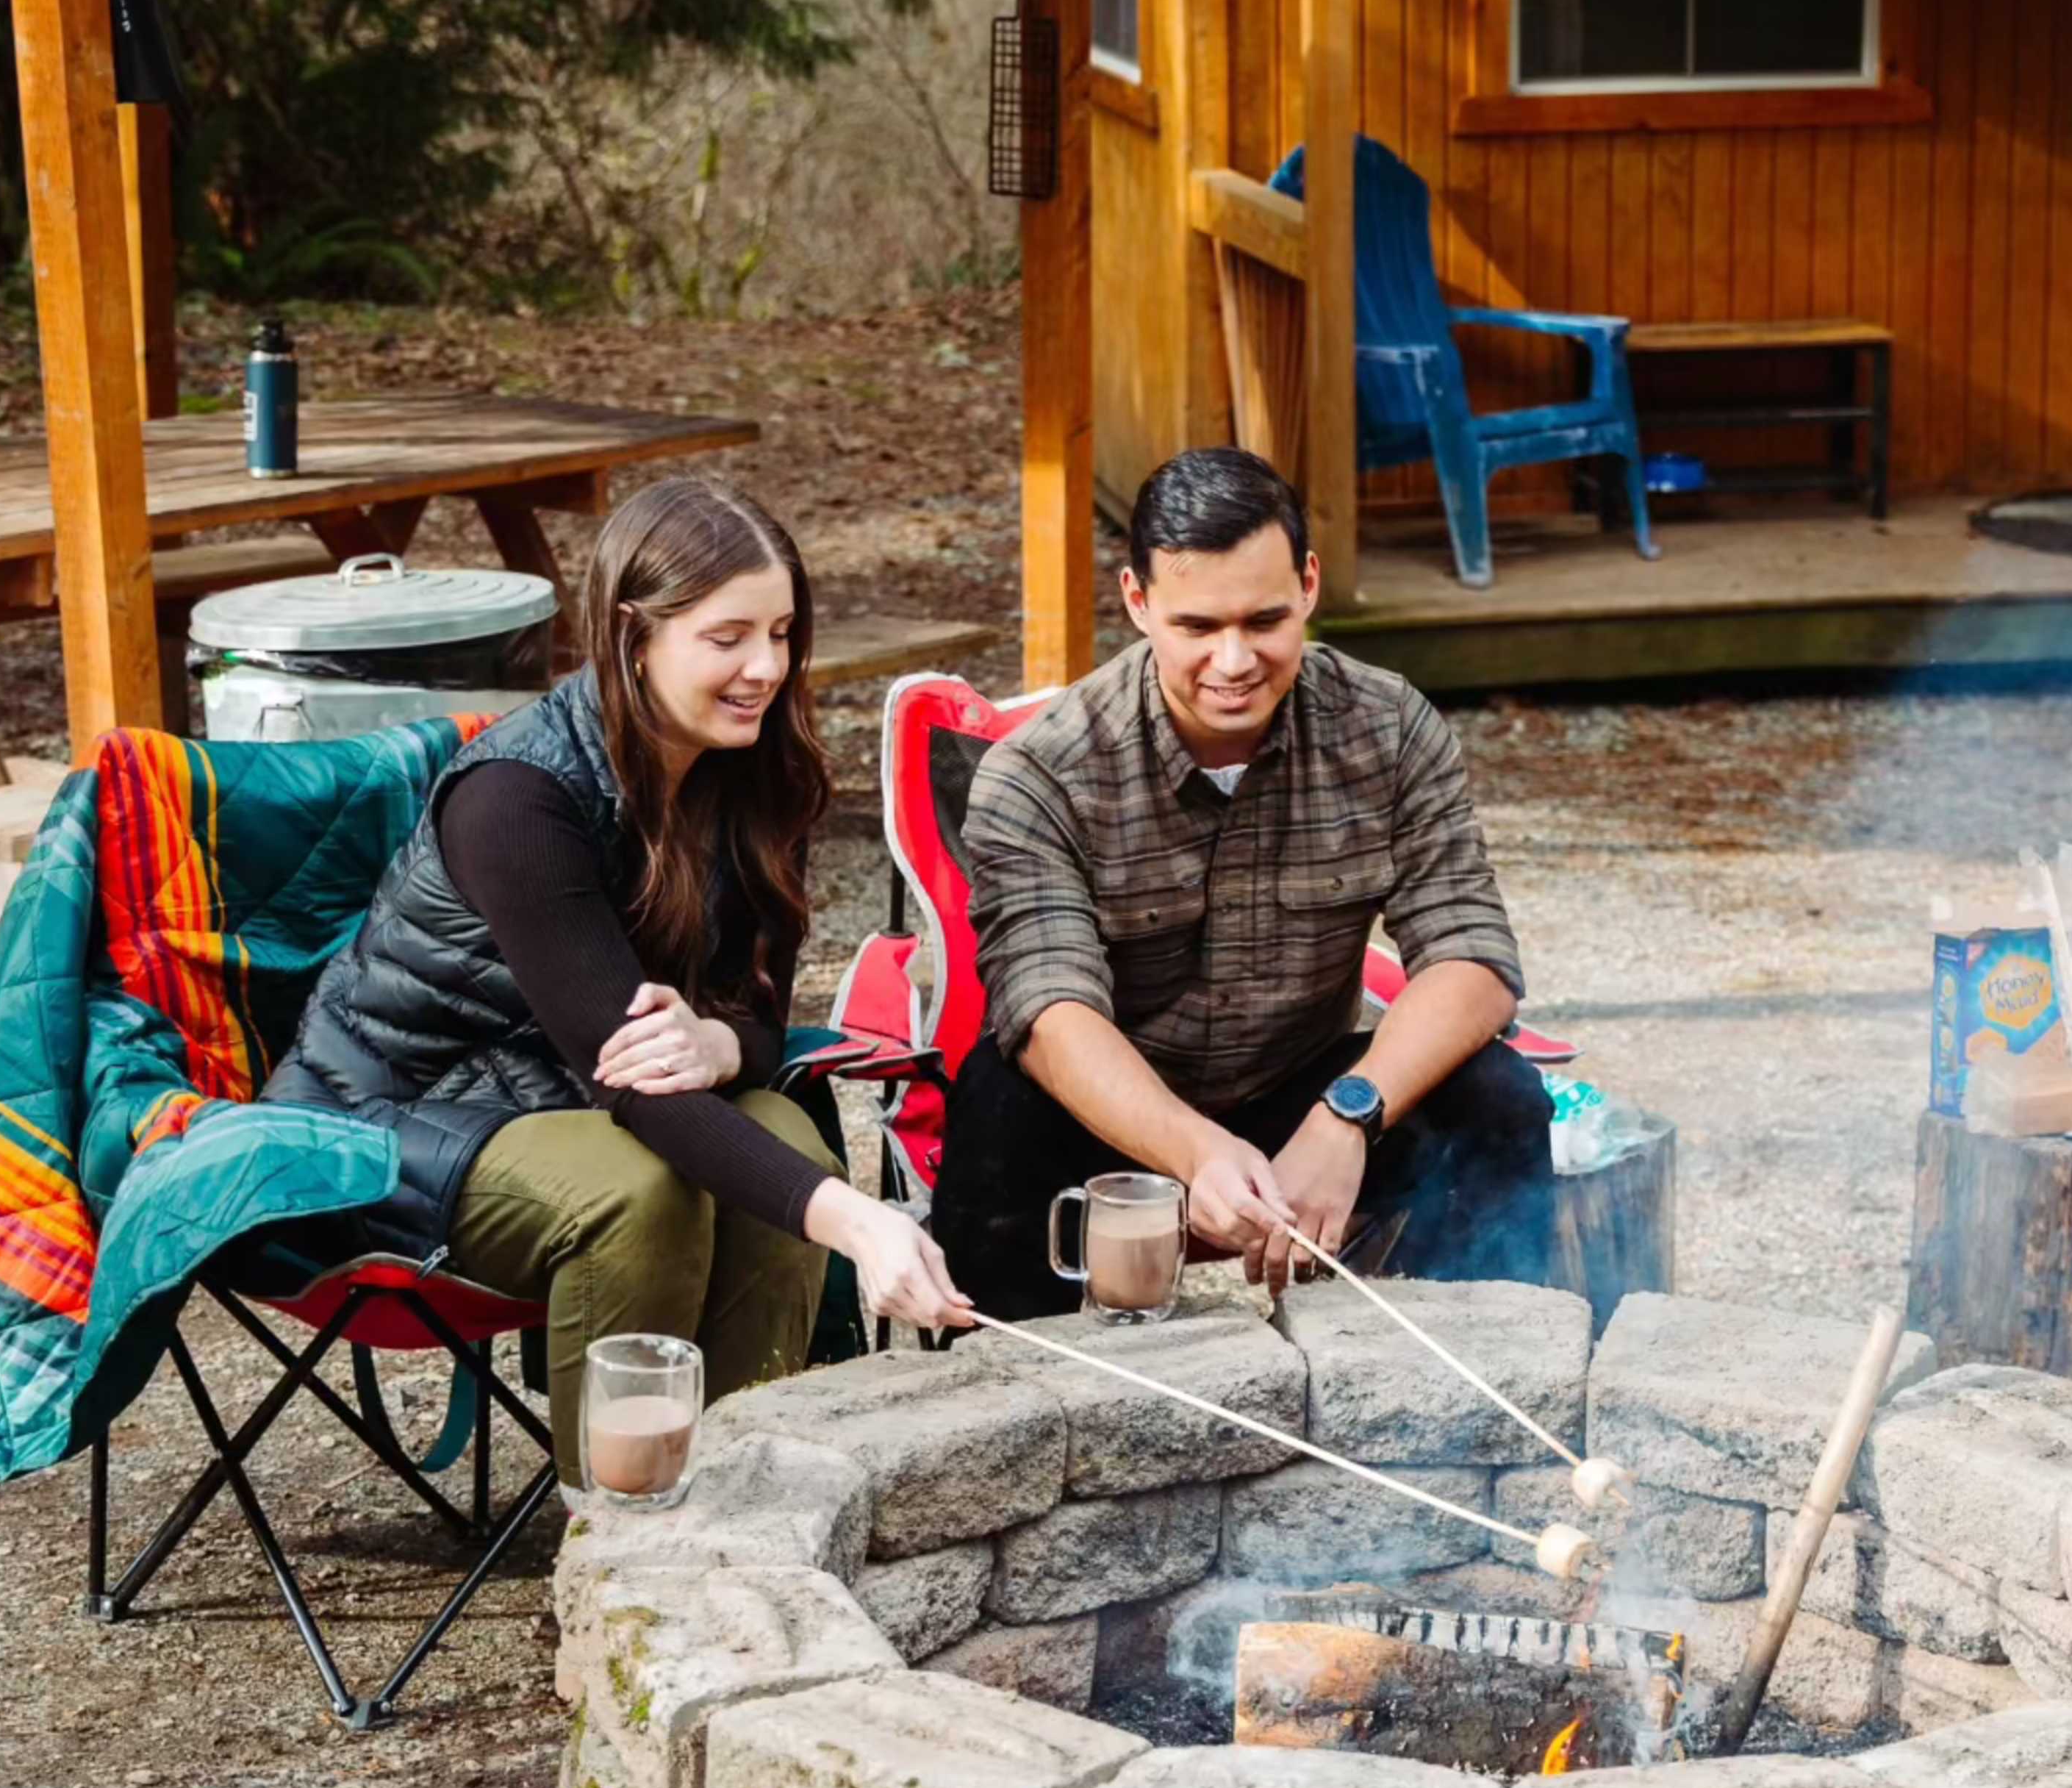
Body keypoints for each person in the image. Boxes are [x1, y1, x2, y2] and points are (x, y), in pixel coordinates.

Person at [267, 476, 971, 1481]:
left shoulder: (760, 773)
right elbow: (633, 1080)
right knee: (639, 1194)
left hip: (565, 1099)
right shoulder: (516, 800)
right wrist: (864, 1225)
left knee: (778, 1129)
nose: (765, 668)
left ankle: (750, 1488)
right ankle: (624, 1536)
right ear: (632, 632)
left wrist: (726, 1040)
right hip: (386, 1121)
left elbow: (763, 1017)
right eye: (726, 638)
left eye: (780, 633)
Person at [931, 446, 1559, 1321]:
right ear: (1138, 602)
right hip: (1108, 1122)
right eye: (1197, 627)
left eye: (1264, 620)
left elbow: (1474, 960)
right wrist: (1194, 1152)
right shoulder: (1039, 773)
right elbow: (1049, 1012)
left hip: (1305, 1097)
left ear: (1307, 585)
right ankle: (1009, 1395)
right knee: (999, 1099)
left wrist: (1351, 1116)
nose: (1234, 661)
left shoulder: (1390, 728)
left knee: (1497, 1096)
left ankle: (1491, 1377)